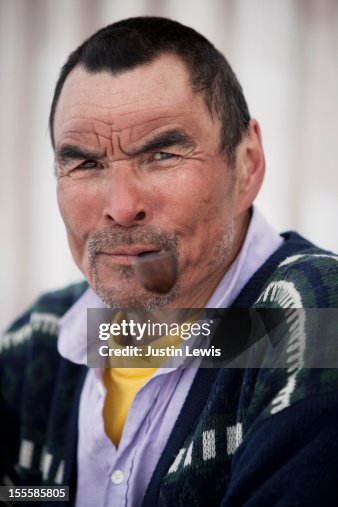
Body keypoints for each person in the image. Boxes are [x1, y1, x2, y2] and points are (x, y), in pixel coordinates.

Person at [1, 16, 338, 507]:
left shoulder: (316, 322)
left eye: (161, 154)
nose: (120, 205)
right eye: (85, 163)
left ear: (247, 165)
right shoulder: (41, 339)